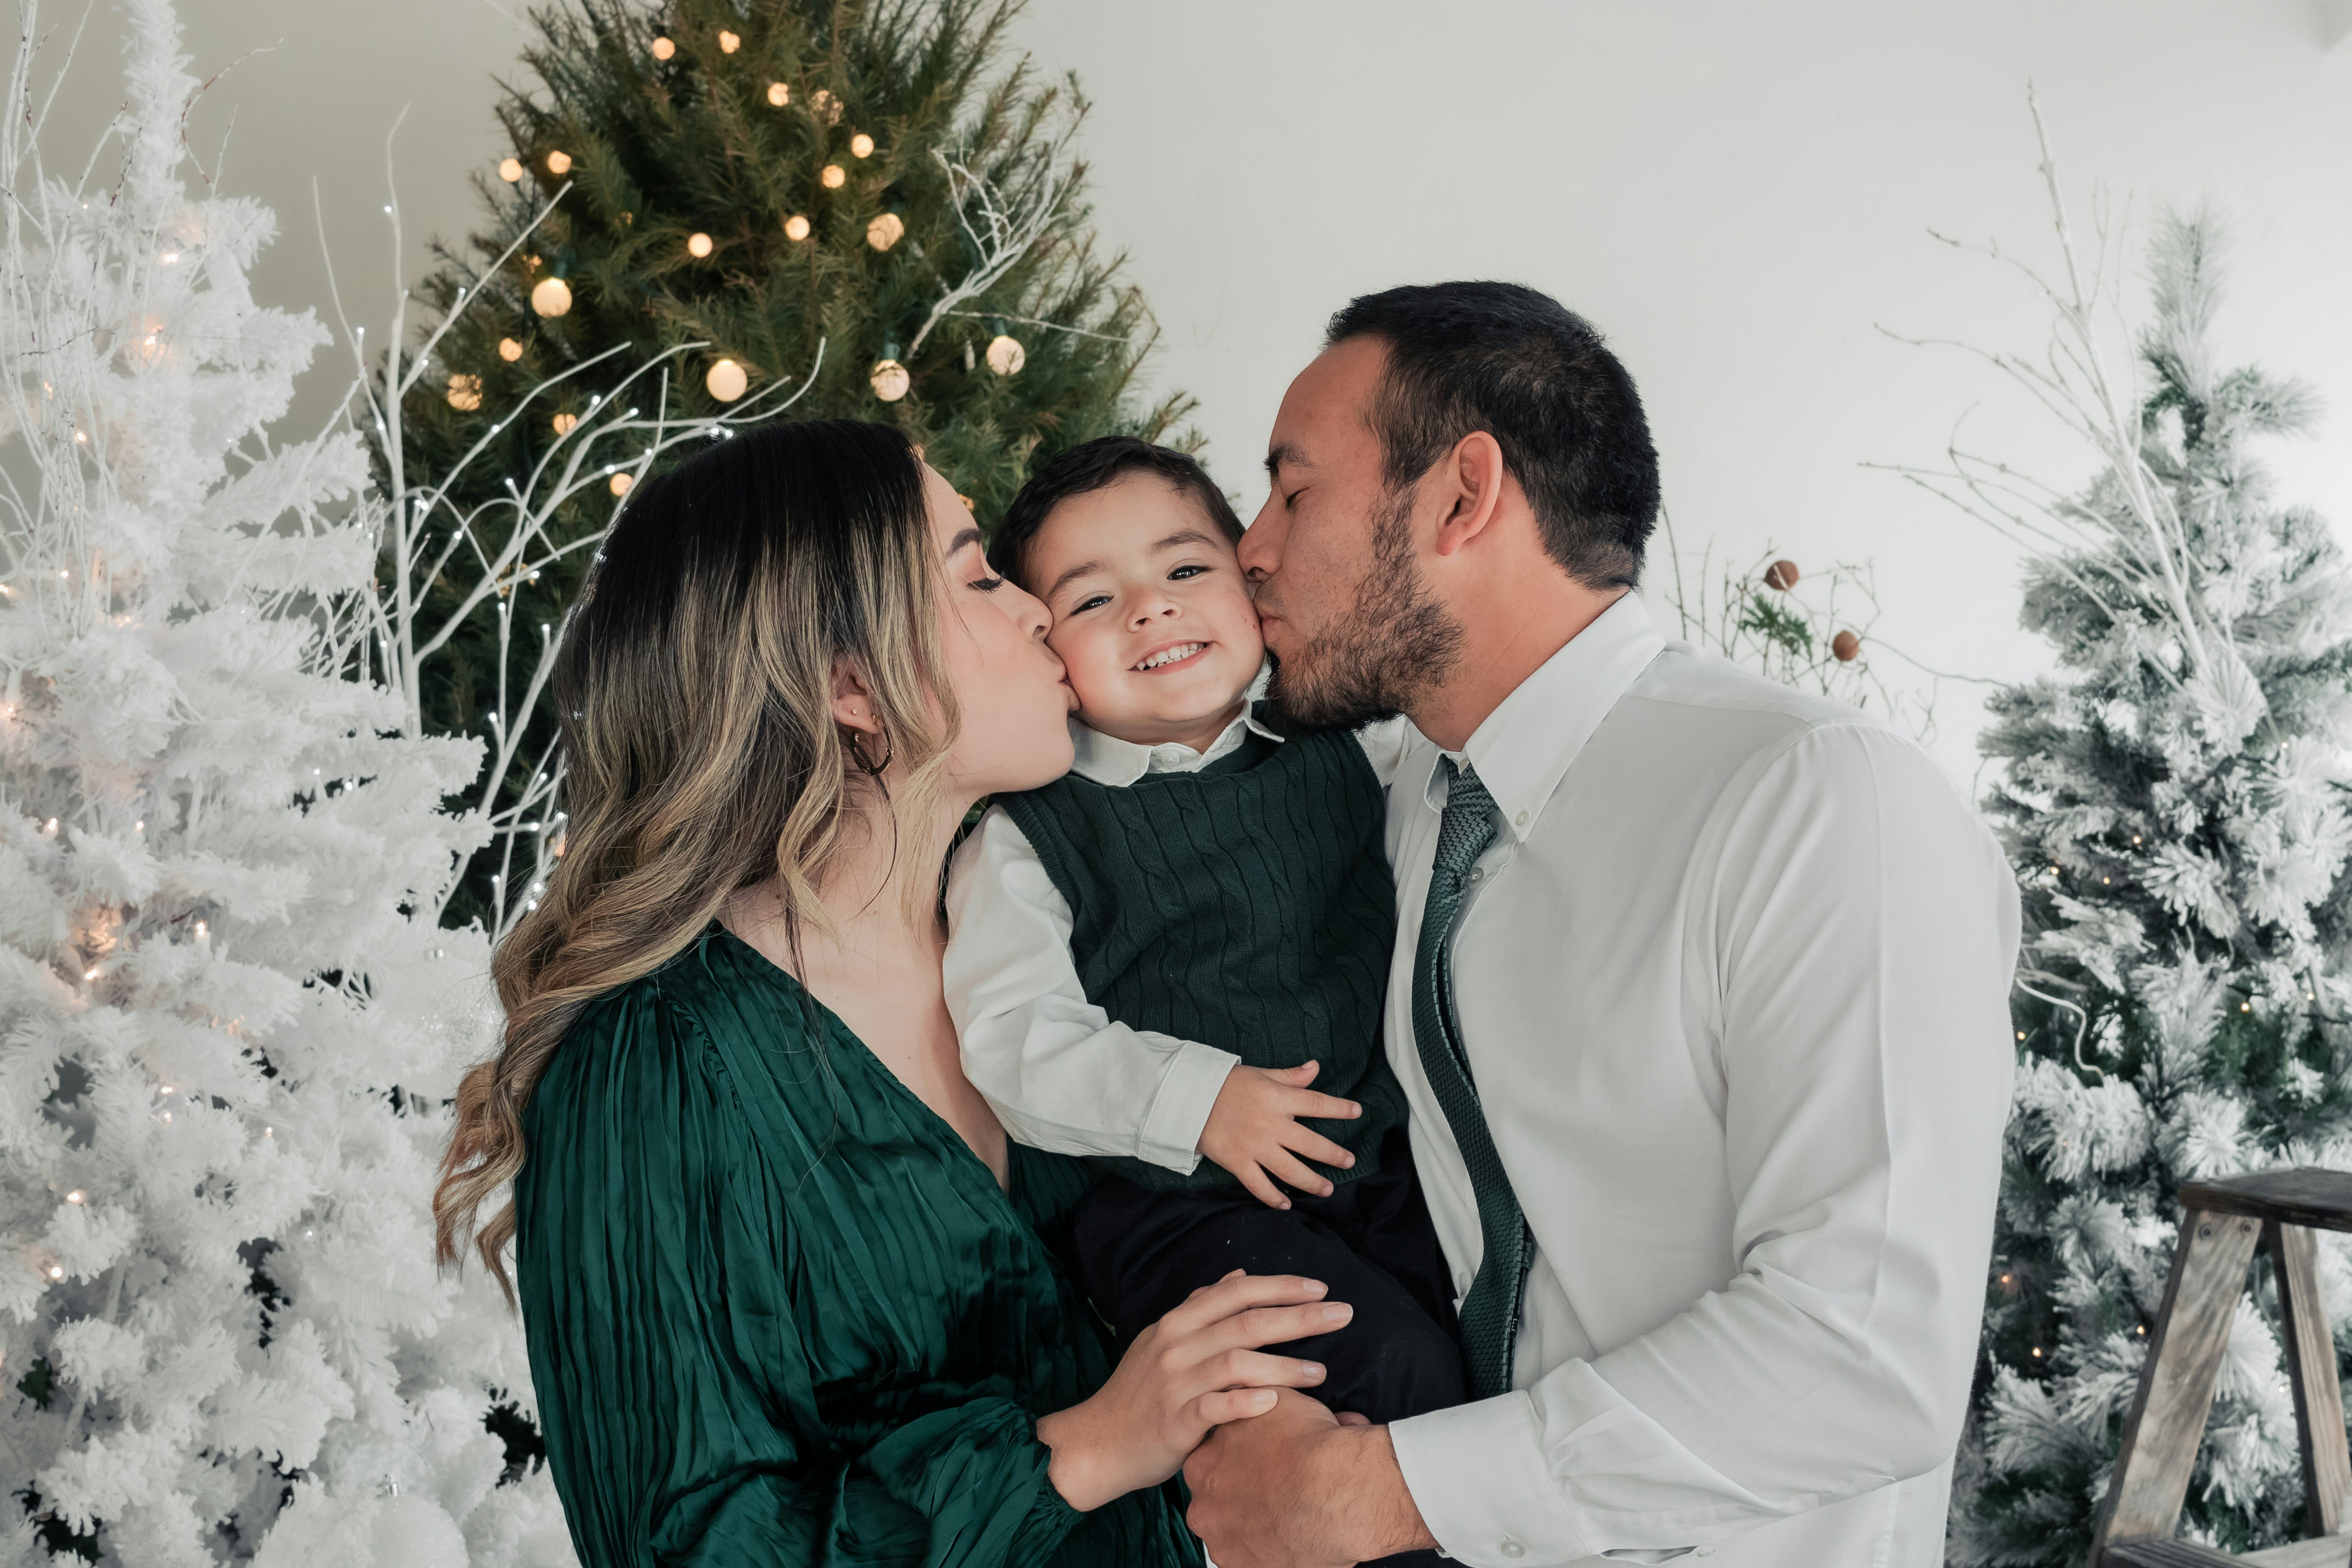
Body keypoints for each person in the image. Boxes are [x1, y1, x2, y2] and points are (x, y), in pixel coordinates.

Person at [1180, 283, 2022, 1568]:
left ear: (1462, 496)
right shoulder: (1412, 797)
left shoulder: (1820, 804)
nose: (1248, 546)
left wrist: (1379, 1494)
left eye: (1292, 493)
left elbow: (1862, 1356)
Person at [430, 420, 1358, 1568]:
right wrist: (1081, 1448)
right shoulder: (655, 1067)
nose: (1035, 611)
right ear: (852, 685)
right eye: (975, 577)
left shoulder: (1056, 942)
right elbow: (685, 1543)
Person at [942, 436, 1463, 1432]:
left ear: (1250, 581)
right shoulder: (1030, 833)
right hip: (1172, 1205)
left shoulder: (1356, 743)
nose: (1151, 608)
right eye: (1092, 600)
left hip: (1374, 1162)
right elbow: (1014, 1039)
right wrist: (1198, 1100)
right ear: (1046, 649)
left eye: (1186, 569)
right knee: (1392, 1372)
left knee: (1479, 1350)